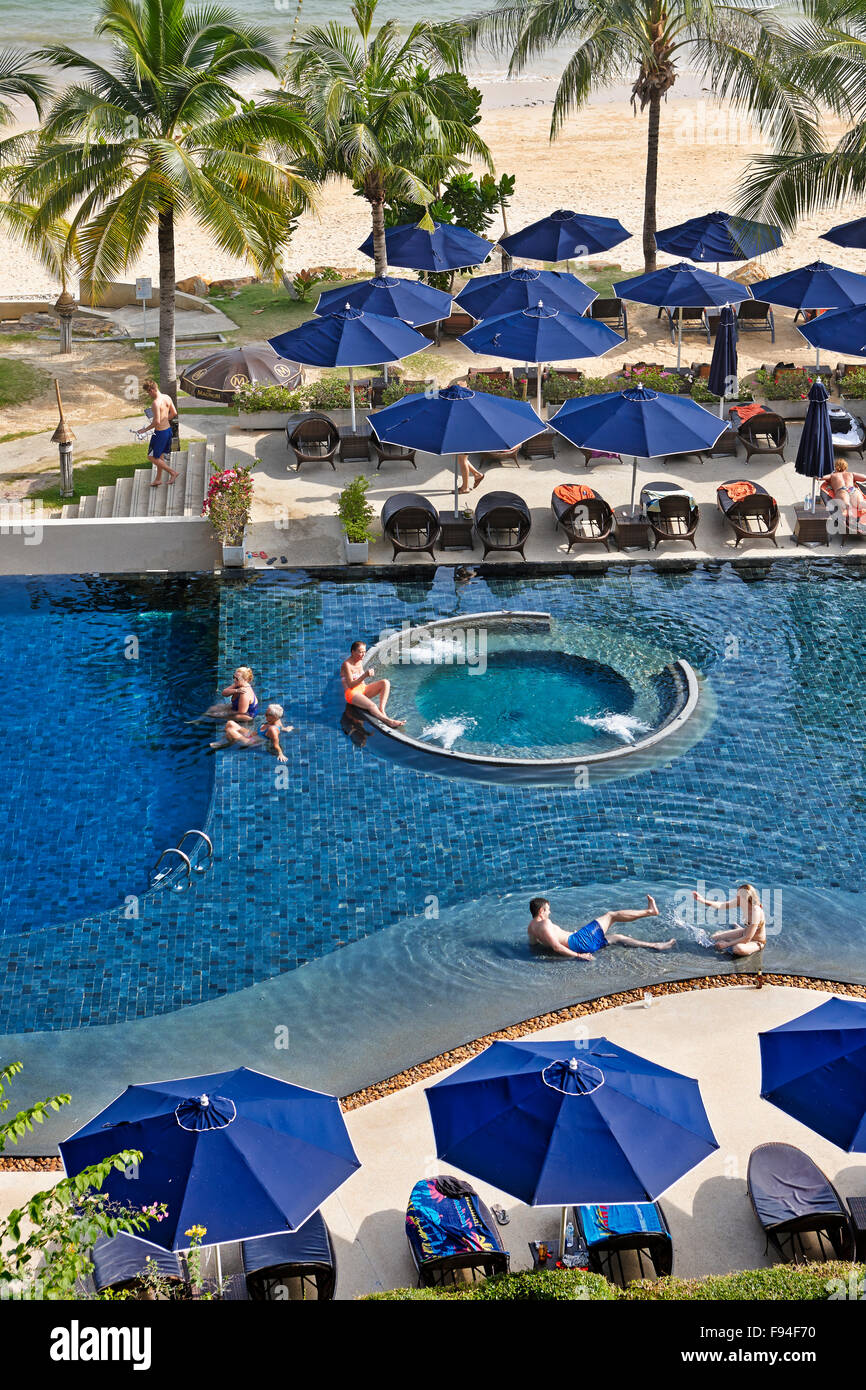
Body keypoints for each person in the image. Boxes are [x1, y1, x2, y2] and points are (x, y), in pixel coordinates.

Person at [527, 895, 675, 959]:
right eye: (548, 909)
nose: (550, 911)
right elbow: (556, 947)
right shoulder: (545, 923)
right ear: (541, 911)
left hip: (579, 942)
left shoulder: (531, 927)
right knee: (611, 915)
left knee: (618, 938)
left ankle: (656, 946)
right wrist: (579, 955)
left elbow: (534, 945)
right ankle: (650, 911)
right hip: (580, 942)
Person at [340, 641, 405, 728]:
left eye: (364, 652)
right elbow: (351, 685)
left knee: (385, 683)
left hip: (362, 689)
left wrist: (366, 679)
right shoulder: (346, 664)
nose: (363, 654)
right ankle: (389, 721)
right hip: (352, 693)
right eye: (360, 652)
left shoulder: (359, 661)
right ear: (353, 652)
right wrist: (365, 675)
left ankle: (382, 709)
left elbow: (361, 682)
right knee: (372, 705)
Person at [692, 884, 766, 957]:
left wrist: (726, 944)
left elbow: (747, 938)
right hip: (745, 932)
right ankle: (738, 931)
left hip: (756, 941)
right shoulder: (741, 902)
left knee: (737, 949)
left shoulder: (756, 912)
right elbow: (721, 906)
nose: (737, 898)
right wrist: (702, 900)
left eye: (739, 896)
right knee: (714, 938)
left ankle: (738, 937)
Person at [137, 379, 179, 486]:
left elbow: (156, 421)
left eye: (148, 392)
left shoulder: (155, 403)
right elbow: (174, 413)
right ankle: (158, 479)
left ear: (152, 390)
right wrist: (164, 420)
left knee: (151, 457)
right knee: (159, 456)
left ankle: (172, 472)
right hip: (168, 431)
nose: (149, 395)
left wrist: (144, 430)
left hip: (160, 434)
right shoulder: (167, 397)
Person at [215, 703, 293, 760]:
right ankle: (229, 739)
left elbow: (276, 744)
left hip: (250, 741)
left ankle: (223, 743)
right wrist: (285, 729)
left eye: (267, 714)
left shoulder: (273, 730)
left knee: (230, 730)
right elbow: (281, 726)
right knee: (230, 723)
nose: (265, 715)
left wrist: (280, 753)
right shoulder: (277, 719)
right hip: (251, 733)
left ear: (274, 717)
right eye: (266, 712)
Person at [822, 457, 866, 531]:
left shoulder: (833, 475)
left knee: (847, 508)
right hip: (853, 489)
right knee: (862, 505)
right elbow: (864, 478)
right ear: (846, 467)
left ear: (836, 467)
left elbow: (820, 477)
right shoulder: (851, 474)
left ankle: (853, 524)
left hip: (842, 491)